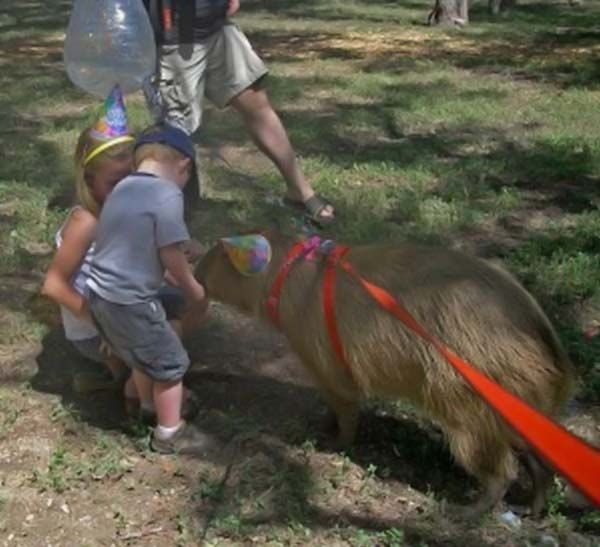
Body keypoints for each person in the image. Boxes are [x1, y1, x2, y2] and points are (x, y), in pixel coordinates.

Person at [142, 0, 335, 225]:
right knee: (176, 134)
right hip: (173, 40)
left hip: (216, 27)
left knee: (256, 104)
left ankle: (300, 192)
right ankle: (174, 220)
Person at [86, 124, 214, 454]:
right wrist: (192, 287)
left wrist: (167, 281)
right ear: (184, 166)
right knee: (171, 364)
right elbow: (170, 252)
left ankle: (141, 405)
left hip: (99, 296)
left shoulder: (122, 188)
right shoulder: (168, 194)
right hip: (129, 302)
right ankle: (170, 431)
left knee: (143, 354)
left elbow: (132, 247)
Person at [42, 85, 135, 394]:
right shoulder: (86, 222)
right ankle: (119, 380)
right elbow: (54, 285)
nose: (125, 189)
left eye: (130, 178)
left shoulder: (119, 205)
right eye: (114, 182)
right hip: (94, 331)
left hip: (120, 311)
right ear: (90, 179)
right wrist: (105, 328)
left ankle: (123, 376)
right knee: (160, 358)